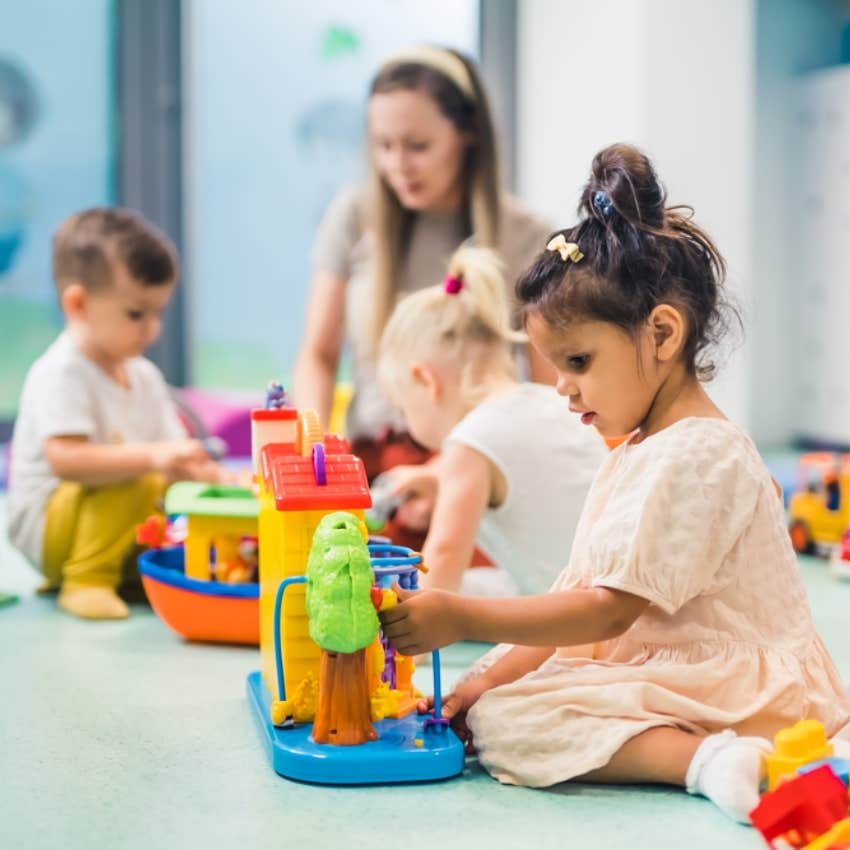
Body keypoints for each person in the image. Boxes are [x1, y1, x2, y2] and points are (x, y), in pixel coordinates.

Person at [378, 143, 850, 822]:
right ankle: (703, 748)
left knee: (516, 726)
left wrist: (460, 617)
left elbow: (606, 611)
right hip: (673, 662)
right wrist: (481, 678)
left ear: (661, 333)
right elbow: (577, 600)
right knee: (499, 711)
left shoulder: (702, 453)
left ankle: (711, 760)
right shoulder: (636, 447)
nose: (563, 389)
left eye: (577, 361)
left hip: (743, 689)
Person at [292, 44, 552, 544]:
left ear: (467, 133)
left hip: (480, 467)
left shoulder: (527, 236)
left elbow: (544, 396)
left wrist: (451, 473)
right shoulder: (353, 215)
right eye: (382, 145)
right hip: (371, 466)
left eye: (417, 145)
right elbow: (318, 355)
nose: (397, 164)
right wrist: (313, 451)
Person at [7, 208, 221, 620]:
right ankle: (86, 577)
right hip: (48, 528)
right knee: (140, 476)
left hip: (110, 519)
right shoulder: (62, 371)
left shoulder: (144, 377)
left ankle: (127, 572)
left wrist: (217, 478)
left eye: (159, 312)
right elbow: (65, 460)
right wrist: (154, 458)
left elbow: (173, 456)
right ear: (79, 304)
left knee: (164, 490)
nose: (153, 329)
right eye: (137, 314)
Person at [377, 246, 606, 596]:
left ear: (426, 381)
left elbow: (440, 572)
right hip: (616, 600)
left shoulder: (470, 443)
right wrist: (436, 480)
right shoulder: (552, 402)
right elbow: (533, 482)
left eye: (402, 407)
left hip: (575, 624)